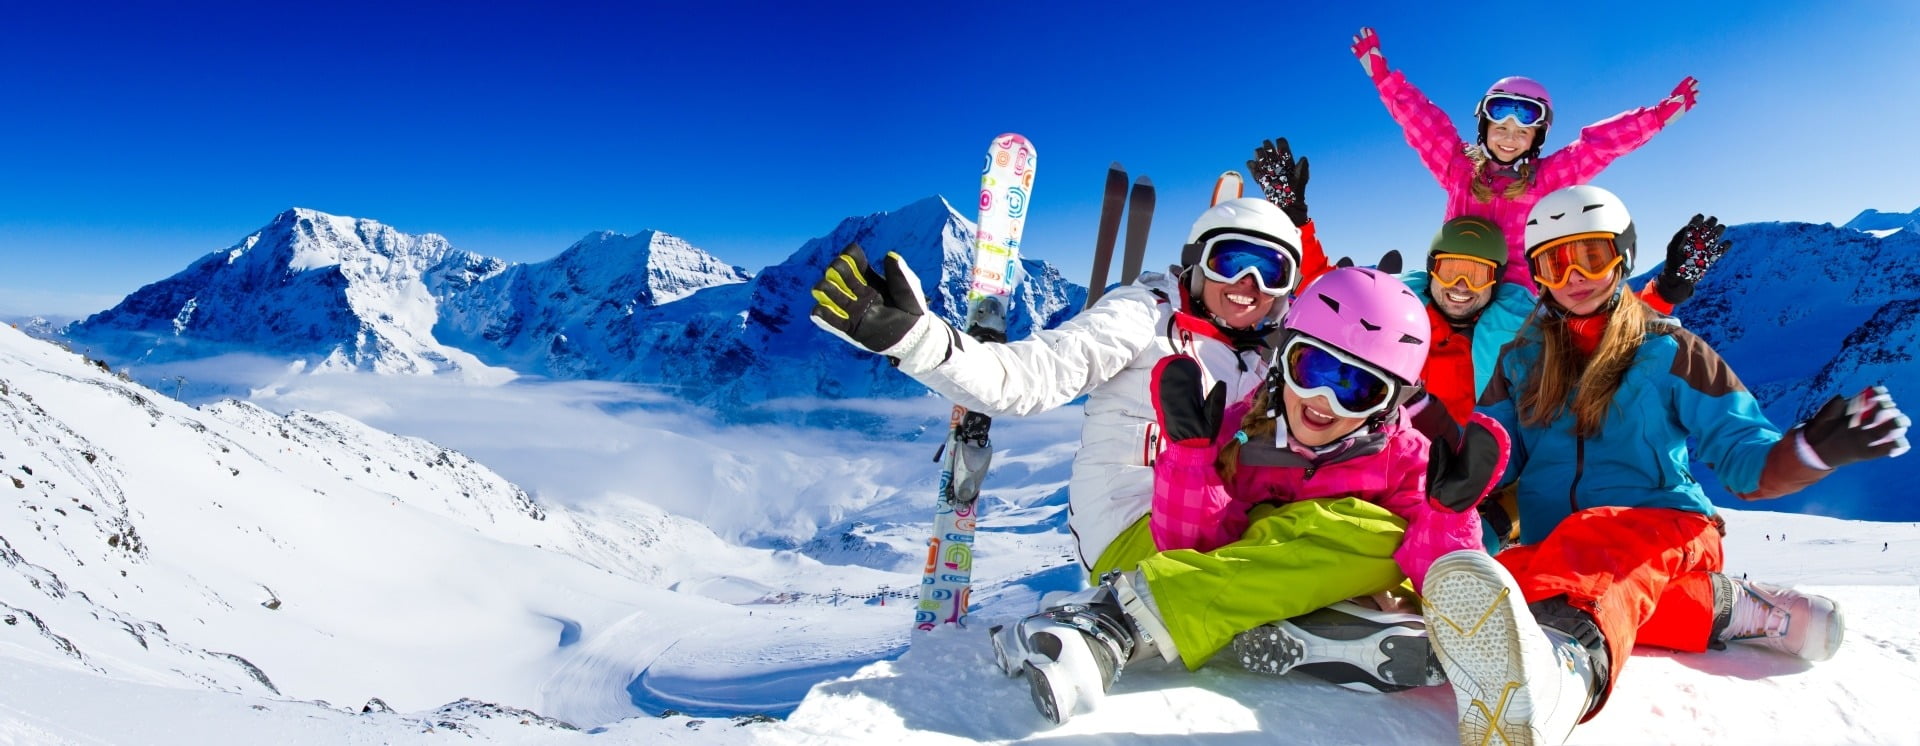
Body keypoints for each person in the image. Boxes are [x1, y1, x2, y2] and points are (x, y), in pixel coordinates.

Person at [1416, 185, 1912, 745]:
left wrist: (1811, 451)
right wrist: (1454, 466)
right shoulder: (1521, 360)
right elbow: (1498, 447)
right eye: (1556, 263)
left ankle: (1564, 674)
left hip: (1668, 526)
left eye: (1591, 256)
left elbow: (1744, 460)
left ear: (1621, 257)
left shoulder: (1670, 351)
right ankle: (1730, 608)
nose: (1575, 276)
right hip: (1563, 550)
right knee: (1508, 578)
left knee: (1587, 544)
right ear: (1539, 275)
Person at [986, 268, 1510, 723]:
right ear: (1282, 361)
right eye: (1312, 369)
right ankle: (1126, 620)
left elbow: (1442, 584)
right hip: (1226, 569)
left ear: (1386, 405)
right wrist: (1191, 460)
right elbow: (1192, 549)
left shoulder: (1407, 457)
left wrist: (1448, 517)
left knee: (1384, 538)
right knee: (1367, 531)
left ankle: (1228, 617)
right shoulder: (1240, 432)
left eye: (1357, 389)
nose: (1324, 400)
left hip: (1293, 579)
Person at [1403, 214, 1729, 549]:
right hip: (1413, 462)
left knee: (1458, 544)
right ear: (1431, 270)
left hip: (1494, 475)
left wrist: (1663, 292)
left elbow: (1606, 335)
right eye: (1450, 271)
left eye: (1477, 276)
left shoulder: (1524, 329)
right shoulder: (1401, 319)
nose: (1461, 285)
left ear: (1496, 279)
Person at [1351, 26, 1700, 294]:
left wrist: (1654, 118)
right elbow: (1424, 124)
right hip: (1451, 276)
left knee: (1499, 331)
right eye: (1501, 128)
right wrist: (1384, 78)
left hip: (1510, 292)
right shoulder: (1459, 169)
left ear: (1536, 140)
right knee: (1407, 293)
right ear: (1484, 129)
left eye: (1522, 133)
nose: (1509, 139)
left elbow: (1596, 147)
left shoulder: (1544, 179)